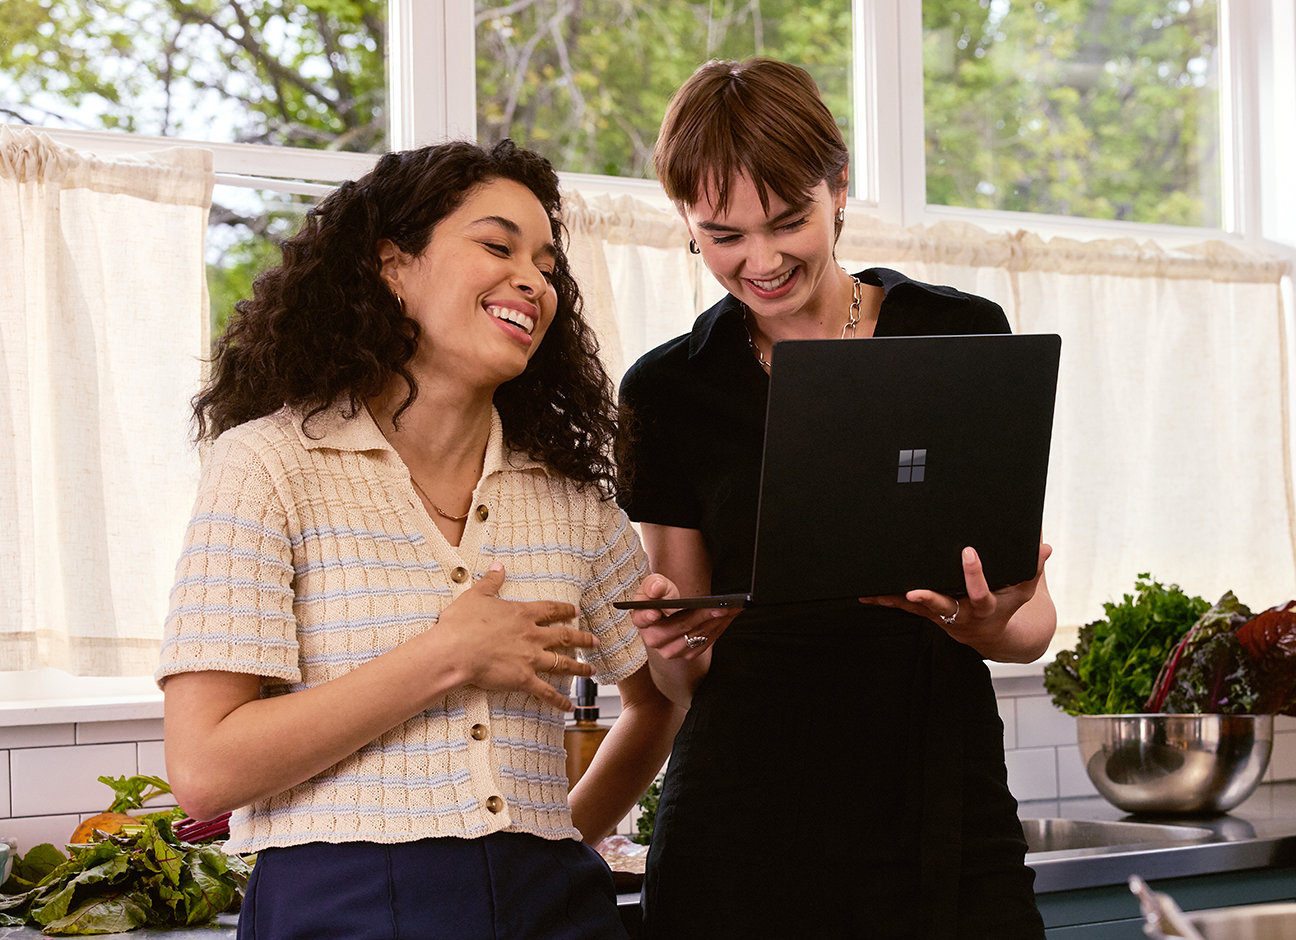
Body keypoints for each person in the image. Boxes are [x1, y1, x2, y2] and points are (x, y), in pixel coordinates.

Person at [159, 140, 681, 940]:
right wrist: (449, 655)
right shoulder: (268, 467)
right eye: (497, 246)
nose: (533, 280)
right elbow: (203, 771)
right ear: (393, 266)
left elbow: (656, 702)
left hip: (552, 907)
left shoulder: (570, 500)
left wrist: (561, 834)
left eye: (545, 264)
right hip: (340, 909)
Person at [615, 58, 1056, 939]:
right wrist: (671, 639)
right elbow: (679, 677)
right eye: (724, 236)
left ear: (839, 186)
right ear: (688, 223)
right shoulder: (668, 389)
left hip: (939, 798)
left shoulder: (959, 335)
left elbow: (1031, 621)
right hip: (742, 821)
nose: (762, 261)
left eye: (788, 222)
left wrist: (985, 624)